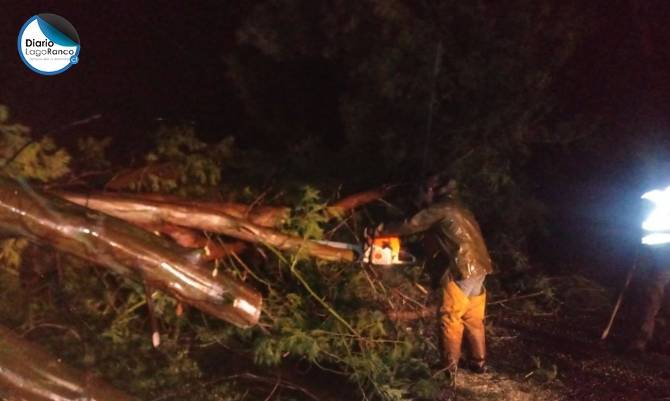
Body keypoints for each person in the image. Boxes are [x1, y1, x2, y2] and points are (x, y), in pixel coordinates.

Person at [378, 175, 493, 378]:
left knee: (450, 317)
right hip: (480, 267)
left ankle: (448, 368)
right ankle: (478, 363)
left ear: (432, 191)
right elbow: (438, 240)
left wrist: (380, 231)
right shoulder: (458, 207)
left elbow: (412, 224)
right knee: (473, 318)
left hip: (462, 268)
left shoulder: (442, 208)